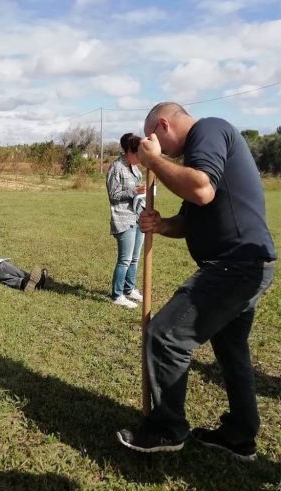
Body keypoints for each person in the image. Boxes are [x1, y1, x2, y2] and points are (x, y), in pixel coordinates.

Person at [116, 102, 276, 461]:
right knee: (232, 350)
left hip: (235, 265)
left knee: (165, 334)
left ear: (163, 125)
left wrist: (154, 161)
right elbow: (193, 215)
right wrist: (163, 225)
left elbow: (201, 190)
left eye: (153, 140)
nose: (153, 148)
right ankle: (239, 434)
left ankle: (166, 428)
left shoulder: (209, 129)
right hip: (246, 264)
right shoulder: (199, 156)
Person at [106, 133, 146, 309]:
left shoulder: (135, 168)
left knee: (135, 258)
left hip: (137, 217)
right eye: (137, 153)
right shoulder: (116, 167)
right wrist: (133, 191)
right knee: (125, 259)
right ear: (128, 151)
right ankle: (117, 295)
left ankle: (129, 290)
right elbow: (113, 195)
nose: (139, 157)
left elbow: (137, 190)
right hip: (123, 218)